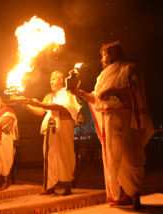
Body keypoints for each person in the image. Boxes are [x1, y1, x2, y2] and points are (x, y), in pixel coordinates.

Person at [72, 41, 154, 209]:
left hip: (126, 115)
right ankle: (126, 194)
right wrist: (80, 93)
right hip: (110, 118)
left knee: (131, 156)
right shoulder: (102, 76)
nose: (101, 58)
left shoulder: (129, 68)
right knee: (114, 158)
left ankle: (135, 195)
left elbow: (134, 89)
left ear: (113, 54)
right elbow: (96, 98)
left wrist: (111, 91)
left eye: (104, 54)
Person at [22, 71, 81, 195]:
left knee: (65, 154)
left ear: (61, 80)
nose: (51, 81)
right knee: (50, 156)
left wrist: (37, 102)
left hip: (64, 126)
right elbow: (41, 111)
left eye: (54, 78)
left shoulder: (66, 92)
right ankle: (50, 186)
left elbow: (58, 107)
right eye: (50, 79)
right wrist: (27, 105)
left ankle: (67, 185)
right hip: (51, 128)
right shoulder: (49, 96)